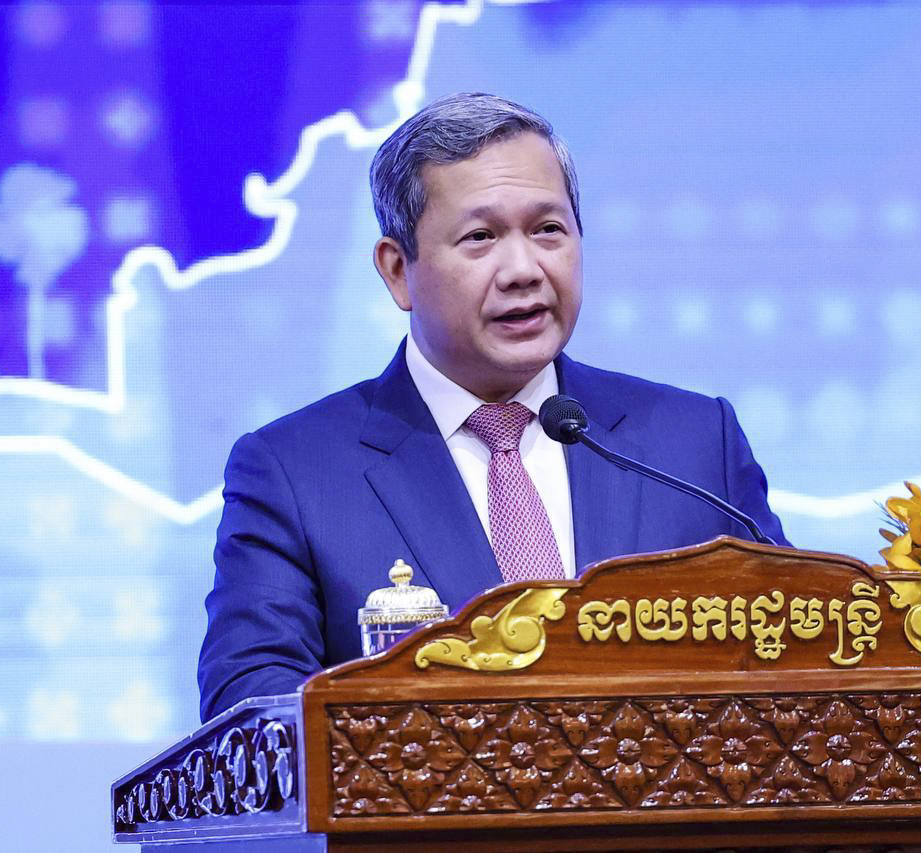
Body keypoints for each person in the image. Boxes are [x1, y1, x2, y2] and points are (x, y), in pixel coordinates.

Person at [197, 93, 789, 721]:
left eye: (548, 230)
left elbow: (798, 658)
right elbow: (252, 705)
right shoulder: (295, 473)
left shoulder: (695, 445)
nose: (523, 270)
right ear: (397, 271)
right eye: (480, 237)